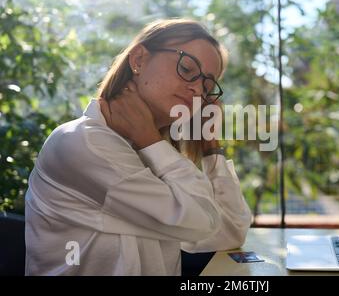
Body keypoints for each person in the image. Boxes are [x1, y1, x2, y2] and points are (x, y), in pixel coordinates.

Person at [24, 18, 252, 275]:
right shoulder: (83, 143)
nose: (198, 89)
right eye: (187, 69)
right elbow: (203, 221)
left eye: (208, 86)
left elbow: (228, 233)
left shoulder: (153, 152)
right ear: (139, 60)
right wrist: (150, 140)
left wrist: (211, 147)